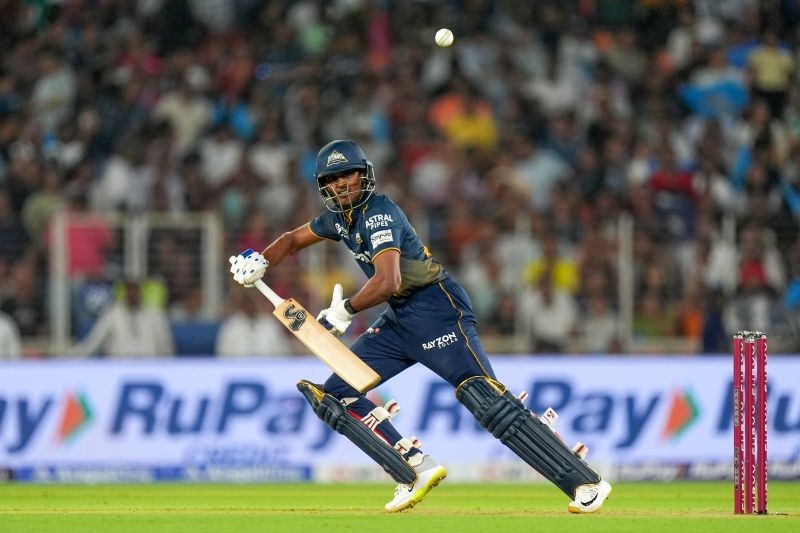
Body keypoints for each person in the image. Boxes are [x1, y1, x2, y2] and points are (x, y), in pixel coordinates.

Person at [229, 140, 612, 513]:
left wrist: (345, 310)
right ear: (323, 186)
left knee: (485, 400)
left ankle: (585, 482)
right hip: (399, 319)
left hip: (436, 308)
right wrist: (261, 261)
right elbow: (293, 239)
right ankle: (413, 465)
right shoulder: (337, 220)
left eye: (348, 175)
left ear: (364, 176)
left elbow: (388, 280)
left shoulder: (379, 214)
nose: (341, 184)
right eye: (332, 178)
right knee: (337, 395)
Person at [68, 279, 175, 358]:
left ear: (140, 292)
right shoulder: (112, 314)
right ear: (125, 292)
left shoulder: (155, 314)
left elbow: (166, 347)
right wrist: (69, 356)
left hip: (149, 366)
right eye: (130, 290)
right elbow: (93, 343)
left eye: (136, 290)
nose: (133, 294)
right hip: (119, 365)